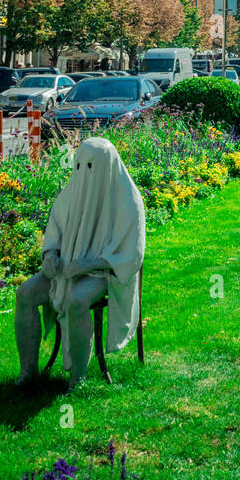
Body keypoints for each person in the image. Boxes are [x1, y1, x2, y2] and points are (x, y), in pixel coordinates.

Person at [15, 136, 145, 391]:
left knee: (76, 299)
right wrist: (50, 255)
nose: (83, 173)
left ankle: (79, 375)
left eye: (90, 167)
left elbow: (132, 254)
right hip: (65, 268)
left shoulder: (129, 200)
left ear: (108, 166)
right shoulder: (71, 194)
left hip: (104, 272)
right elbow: (54, 233)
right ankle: (28, 371)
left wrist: (87, 265)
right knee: (25, 293)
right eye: (79, 166)